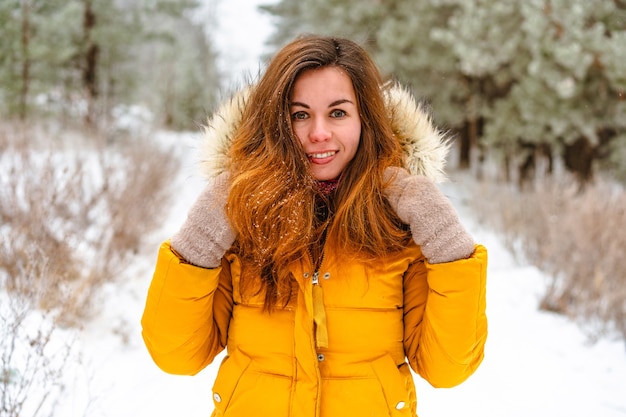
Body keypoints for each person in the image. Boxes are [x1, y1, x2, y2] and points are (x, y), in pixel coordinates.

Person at [141, 34, 487, 417]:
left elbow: (448, 368)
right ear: (276, 122)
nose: (319, 133)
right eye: (300, 114)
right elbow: (176, 356)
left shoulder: (399, 227)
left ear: (364, 119)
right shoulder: (242, 219)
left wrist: (444, 235)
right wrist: (203, 232)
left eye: (338, 113)